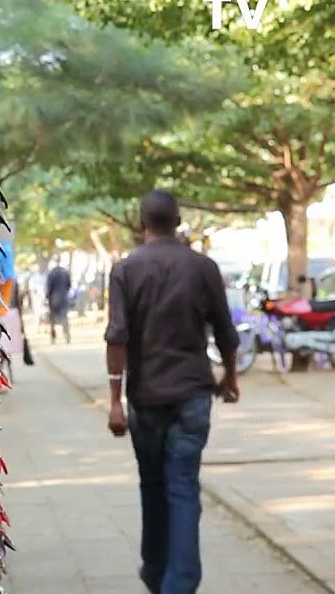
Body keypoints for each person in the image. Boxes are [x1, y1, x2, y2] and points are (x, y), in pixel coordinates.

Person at [104, 190, 240, 594]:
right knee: (182, 486)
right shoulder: (203, 268)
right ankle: (178, 583)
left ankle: (155, 570)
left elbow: (117, 338)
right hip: (192, 395)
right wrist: (229, 378)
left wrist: (115, 402)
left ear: (142, 222)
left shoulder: (126, 271)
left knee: (152, 485)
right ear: (178, 221)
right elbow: (226, 332)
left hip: (146, 398)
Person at [46, 263, 72, 344]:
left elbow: (49, 286)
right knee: (64, 317)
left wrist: (48, 296)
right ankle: (67, 335)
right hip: (64, 297)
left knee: (53, 319)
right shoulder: (65, 272)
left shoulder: (51, 273)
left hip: (53, 298)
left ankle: (53, 337)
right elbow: (69, 285)